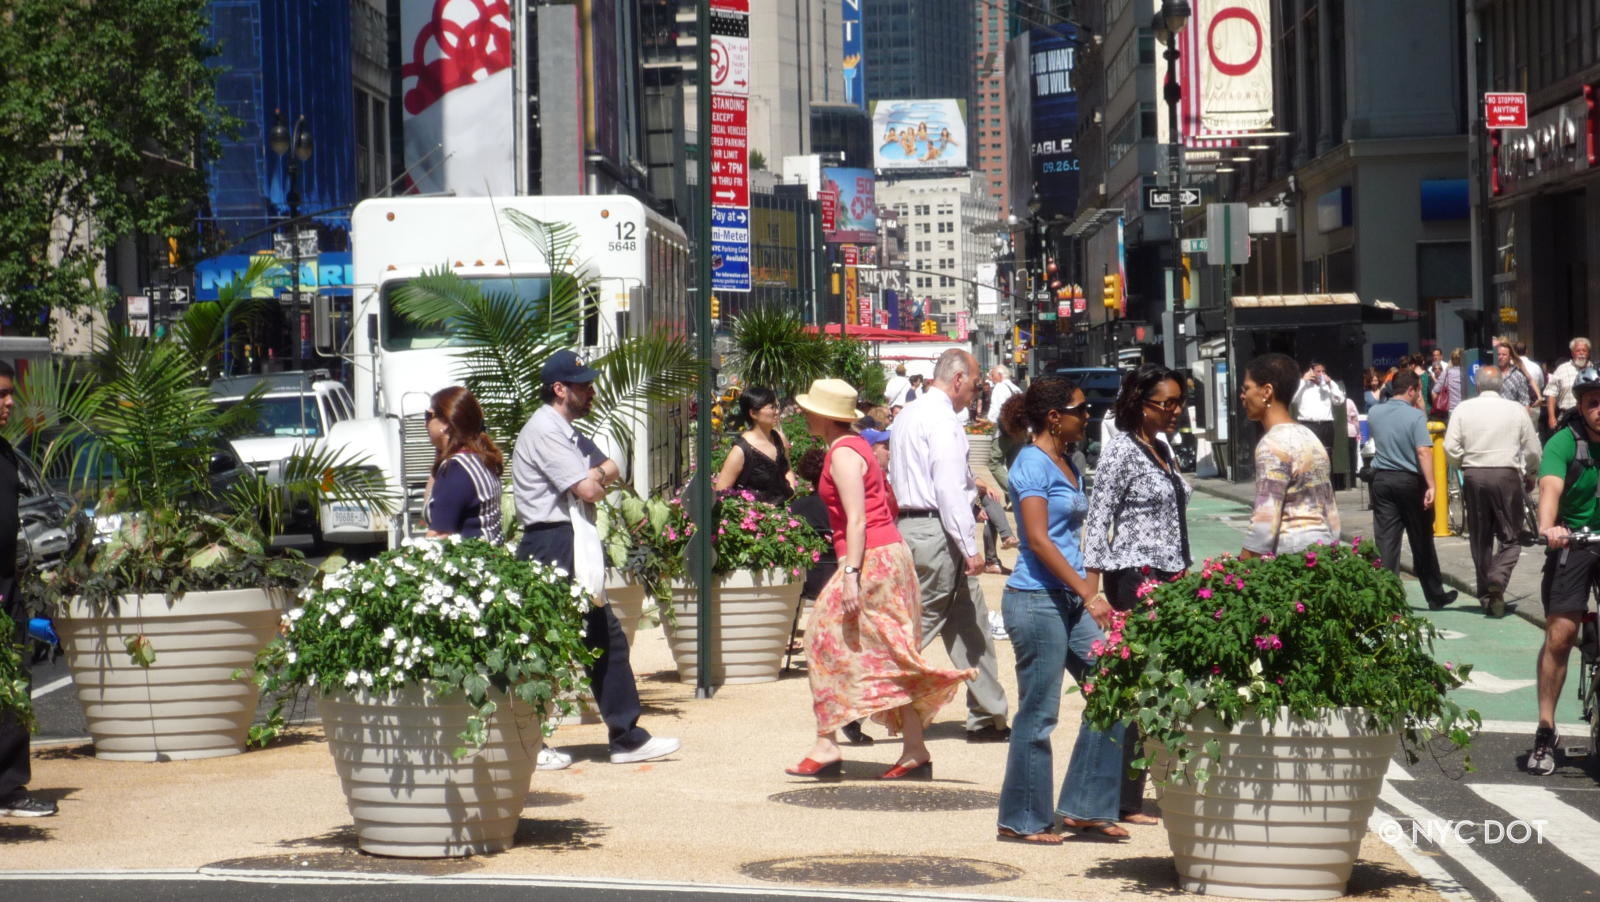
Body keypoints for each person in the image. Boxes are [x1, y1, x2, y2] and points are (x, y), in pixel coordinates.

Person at [784, 379, 973, 780]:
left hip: (873, 558)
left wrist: (850, 573)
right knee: (886, 649)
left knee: (821, 637)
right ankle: (912, 749)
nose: (803, 414)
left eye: (809, 409)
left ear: (825, 415)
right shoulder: (853, 448)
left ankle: (828, 742)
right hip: (880, 555)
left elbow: (857, 518)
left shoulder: (844, 453)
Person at [512, 350, 680, 765]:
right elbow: (588, 490)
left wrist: (594, 475)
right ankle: (528, 745)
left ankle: (627, 738)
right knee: (540, 647)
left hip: (572, 539)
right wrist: (591, 479)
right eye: (583, 385)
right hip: (550, 543)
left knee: (604, 639)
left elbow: (612, 467)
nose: (592, 391)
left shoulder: (565, 429)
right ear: (559, 389)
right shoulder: (545, 430)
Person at [995, 376, 1130, 844]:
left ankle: (1086, 806)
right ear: (1055, 417)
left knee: (1114, 684)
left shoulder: (1068, 461)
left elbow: (1077, 538)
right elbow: (1037, 538)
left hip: (1070, 600)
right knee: (1039, 713)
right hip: (1035, 600)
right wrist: (1088, 594)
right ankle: (1023, 818)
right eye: (1080, 409)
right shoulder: (1031, 464)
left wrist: (1091, 592)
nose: (1087, 415)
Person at [1082, 364, 1192, 826]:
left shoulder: (1163, 448)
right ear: (1138, 404)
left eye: (1178, 402)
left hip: (1171, 576)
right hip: (1135, 578)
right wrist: (1092, 593)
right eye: (1164, 403)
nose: (1174, 411)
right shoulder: (1120, 452)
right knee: (1136, 685)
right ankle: (1124, 799)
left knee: (1163, 683)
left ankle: (1144, 790)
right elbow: (1097, 519)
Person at [888, 349, 1011, 742]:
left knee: (970, 623)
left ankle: (988, 716)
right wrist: (969, 546)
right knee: (918, 627)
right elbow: (944, 487)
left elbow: (933, 476)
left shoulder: (910, 413)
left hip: (922, 528)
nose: (977, 393)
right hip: (936, 533)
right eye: (976, 384)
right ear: (958, 379)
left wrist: (970, 486)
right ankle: (861, 700)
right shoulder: (940, 418)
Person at [1531, 369, 1600, 775]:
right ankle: (1545, 728)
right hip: (1573, 540)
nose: (1599, 410)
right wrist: (1549, 528)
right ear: (1581, 405)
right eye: (1592, 403)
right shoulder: (1563, 441)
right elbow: (1550, 488)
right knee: (1560, 634)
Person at [1443, 366, 1541, 618]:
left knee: (1480, 537)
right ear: (1501, 385)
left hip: (1474, 474)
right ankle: (1497, 577)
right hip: (1506, 474)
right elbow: (1532, 450)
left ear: (1477, 385)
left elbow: (1450, 447)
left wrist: (1462, 462)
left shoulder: (1463, 409)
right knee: (1511, 536)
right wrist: (1531, 474)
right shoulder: (1515, 410)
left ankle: (1488, 597)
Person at [0, 362, 53, 818]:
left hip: (7, 587)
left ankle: (10, 789)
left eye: (9, 394)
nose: (9, 403)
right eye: (0, 394)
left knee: (14, 686)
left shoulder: (5, 453)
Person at [1368, 368, 1457, 609]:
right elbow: (1423, 451)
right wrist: (1432, 485)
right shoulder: (1416, 417)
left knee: (1386, 539)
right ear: (1411, 390)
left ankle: (1387, 596)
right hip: (1409, 480)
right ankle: (1434, 594)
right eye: (1418, 390)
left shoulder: (1375, 412)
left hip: (1382, 480)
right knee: (1421, 538)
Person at [1239, 353, 1341, 557]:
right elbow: (1330, 506)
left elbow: (1265, 521)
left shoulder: (1272, 445)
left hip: (1291, 553)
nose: (1242, 396)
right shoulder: (1310, 437)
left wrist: (1238, 569)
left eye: (1246, 389)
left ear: (1266, 391)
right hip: (1325, 550)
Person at [421, 386, 505, 543]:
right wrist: (441, 451)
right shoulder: (479, 460)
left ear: (445, 423)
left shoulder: (456, 470)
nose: (424, 423)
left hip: (467, 561)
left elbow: (438, 535)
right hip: (488, 558)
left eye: (428, 416)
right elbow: (431, 500)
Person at [713, 386, 796, 504]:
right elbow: (721, 493)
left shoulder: (779, 438)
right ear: (753, 413)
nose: (777, 411)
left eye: (776, 406)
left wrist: (791, 488)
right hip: (758, 518)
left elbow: (787, 469)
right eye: (772, 407)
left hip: (783, 515)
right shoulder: (741, 450)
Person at [1291, 360, 1346, 466]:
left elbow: (1340, 400)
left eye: (1323, 371)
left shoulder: (1328, 385)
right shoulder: (1302, 385)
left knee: (1327, 456)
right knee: (1308, 456)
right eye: (1318, 371)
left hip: (1326, 425)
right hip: (1308, 425)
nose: (1321, 374)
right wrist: (1303, 381)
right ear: (1310, 371)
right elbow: (1293, 400)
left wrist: (1330, 383)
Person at [1543, 337, 1596, 434]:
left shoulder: (1595, 370)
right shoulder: (1561, 369)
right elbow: (1551, 394)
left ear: (1588, 353)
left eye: (1584, 350)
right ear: (1572, 353)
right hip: (1567, 418)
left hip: (1591, 419)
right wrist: (1551, 417)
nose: (1581, 353)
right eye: (1578, 351)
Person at [1497, 341, 1538, 409]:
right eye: (1498, 354)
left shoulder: (1518, 376)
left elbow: (1525, 402)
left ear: (1510, 356)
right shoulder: (1491, 374)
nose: (1500, 357)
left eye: (1504, 355)